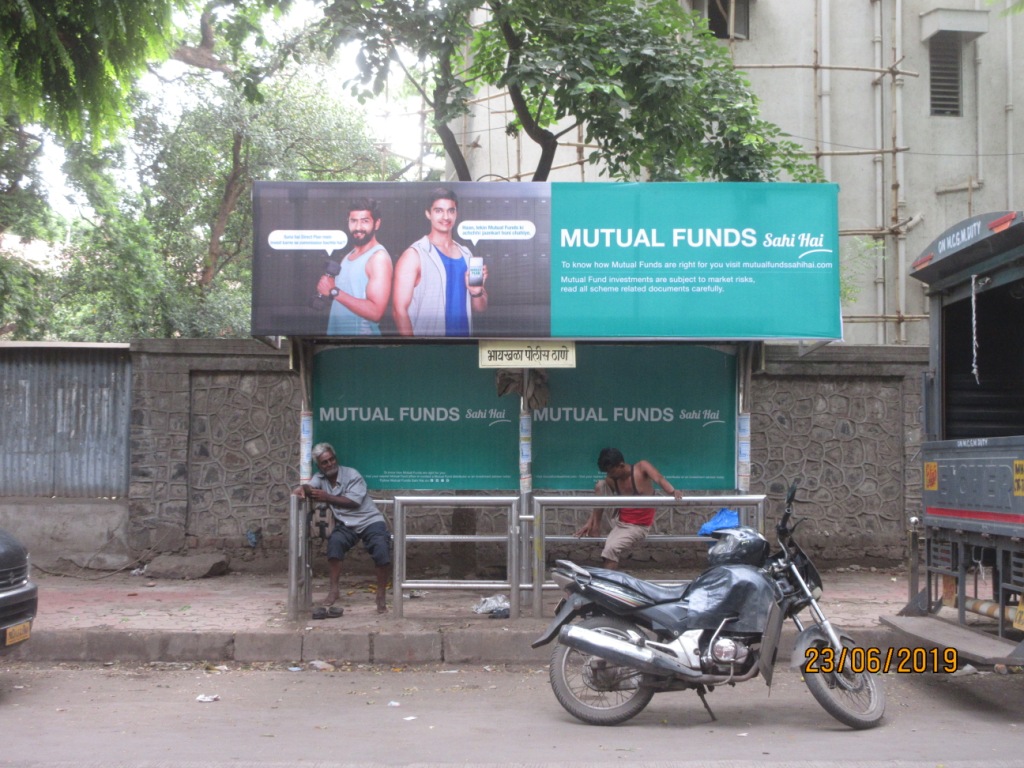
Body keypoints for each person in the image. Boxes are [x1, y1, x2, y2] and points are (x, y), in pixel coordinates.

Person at [295, 443, 391, 613]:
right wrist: (302, 488)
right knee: (335, 543)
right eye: (325, 462)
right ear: (319, 466)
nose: (330, 464)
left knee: (381, 548)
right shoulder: (320, 478)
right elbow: (311, 487)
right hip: (346, 524)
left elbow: (354, 502)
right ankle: (334, 590)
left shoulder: (352, 474)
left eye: (332, 459)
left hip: (369, 520)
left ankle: (381, 595)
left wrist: (327, 497)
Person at [392, 188, 488, 336]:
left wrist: (476, 292)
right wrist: (413, 348)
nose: (446, 217)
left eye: (451, 211)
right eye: (438, 211)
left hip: (464, 345)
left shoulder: (467, 254)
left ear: (456, 214)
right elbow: (399, 311)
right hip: (429, 348)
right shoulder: (414, 255)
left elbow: (480, 308)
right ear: (428, 214)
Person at [574, 447, 684, 570]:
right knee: (601, 484)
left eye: (611, 471)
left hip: (638, 525)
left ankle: (608, 581)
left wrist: (673, 491)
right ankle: (596, 527)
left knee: (610, 549)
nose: (609, 475)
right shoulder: (611, 479)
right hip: (619, 519)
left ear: (621, 465)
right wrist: (590, 522)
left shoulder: (641, 468)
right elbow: (600, 499)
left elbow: (659, 478)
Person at [318, 198, 393, 335]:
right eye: (353, 221)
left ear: (376, 224)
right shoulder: (349, 256)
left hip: (362, 344)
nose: (358, 227)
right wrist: (328, 291)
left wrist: (334, 291)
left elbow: (376, 312)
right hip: (339, 341)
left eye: (365, 221)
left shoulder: (378, 258)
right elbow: (345, 299)